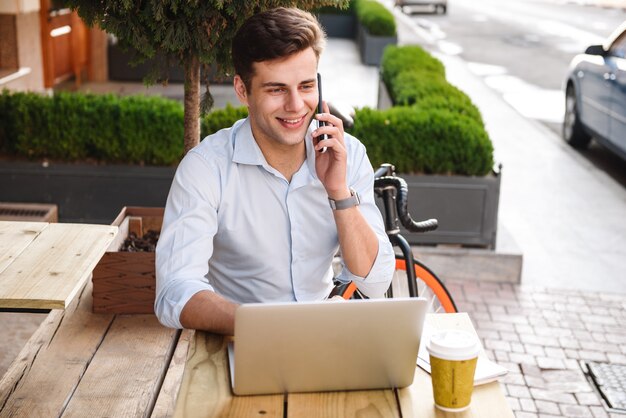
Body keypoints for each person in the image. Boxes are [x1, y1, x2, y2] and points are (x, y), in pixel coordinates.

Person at [155, 7, 395, 335]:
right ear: (243, 90)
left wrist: (339, 193)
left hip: (324, 335)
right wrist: (267, 327)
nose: (296, 105)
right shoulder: (206, 168)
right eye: (276, 89)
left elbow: (377, 280)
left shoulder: (347, 152)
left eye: (306, 86)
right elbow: (175, 291)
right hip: (239, 338)